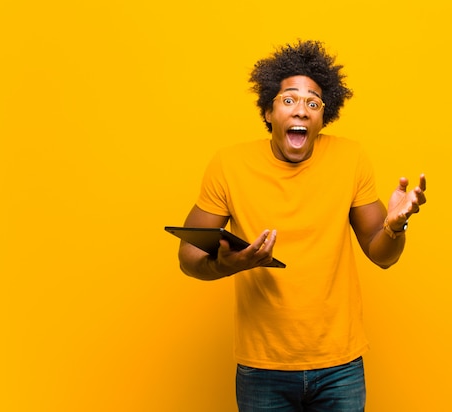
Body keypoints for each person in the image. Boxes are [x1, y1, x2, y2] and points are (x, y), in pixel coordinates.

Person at [177, 40, 427, 411]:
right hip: (262, 367)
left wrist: (394, 227)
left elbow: (383, 255)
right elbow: (188, 256)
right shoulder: (228, 165)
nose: (302, 111)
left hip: (339, 366)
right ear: (268, 111)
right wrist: (229, 264)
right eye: (290, 99)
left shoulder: (350, 158)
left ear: (324, 117)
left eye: (314, 103)